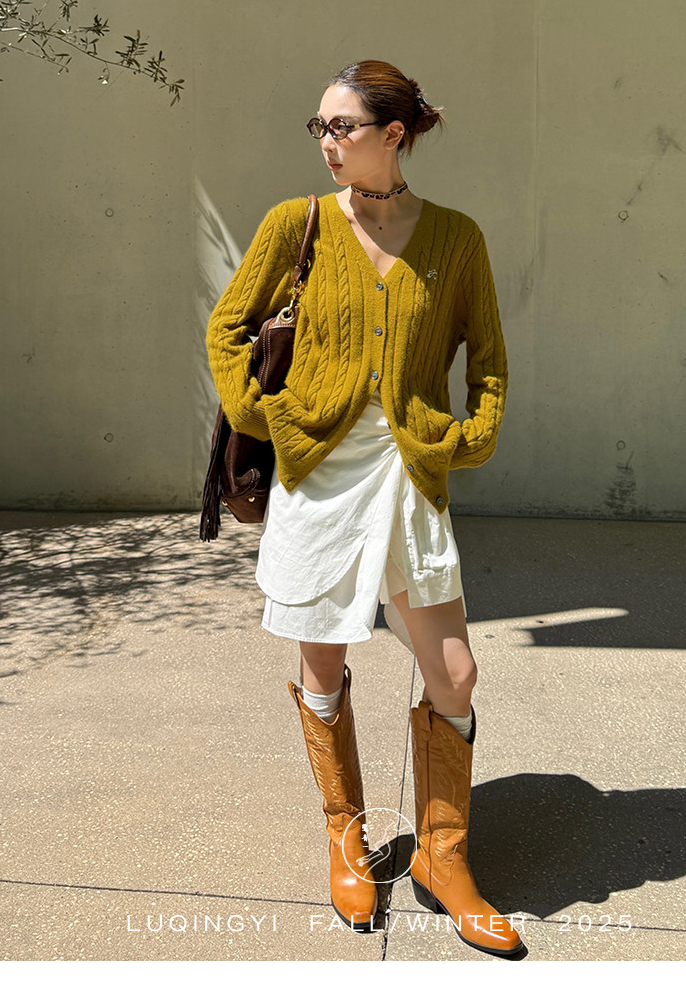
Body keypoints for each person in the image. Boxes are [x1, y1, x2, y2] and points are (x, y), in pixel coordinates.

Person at [205, 59, 523, 960]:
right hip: (318, 475)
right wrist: (264, 416)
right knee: (324, 663)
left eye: (341, 126)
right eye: (320, 126)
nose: (327, 142)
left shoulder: (457, 238)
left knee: (454, 673)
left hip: (409, 470)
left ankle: (442, 858)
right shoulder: (295, 223)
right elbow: (228, 328)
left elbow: (489, 361)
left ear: (394, 134)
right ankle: (345, 839)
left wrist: (468, 438)